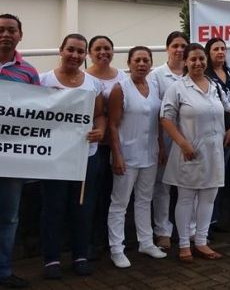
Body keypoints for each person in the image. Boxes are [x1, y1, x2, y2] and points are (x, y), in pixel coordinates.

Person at [160, 43, 230, 261]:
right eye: (193, 59)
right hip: (190, 152)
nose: (198, 63)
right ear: (185, 62)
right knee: (185, 199)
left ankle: (201, 242)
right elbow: (165, 118)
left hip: (214, 152)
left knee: (208, 198)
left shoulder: (214, 85)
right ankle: (184, 245)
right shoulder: (177, 88)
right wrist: (183, 143)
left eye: (201, 59)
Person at [39, 34, 106, 279]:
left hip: (85, 156)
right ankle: (51, 259)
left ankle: (80, 255)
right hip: (54, 157)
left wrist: (101, 131)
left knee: (82, 207)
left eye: (80, 51)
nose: (75, 55)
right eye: (71, 50)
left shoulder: (92, 84)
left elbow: (100, 115)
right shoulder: (42, 80)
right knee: (53, 207)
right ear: (61, 50)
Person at [107, 46, 167, 268]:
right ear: (129, 63)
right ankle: (116, 248)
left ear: (151, 63)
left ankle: (146, 242)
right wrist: (117, 155)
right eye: (137, 60)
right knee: (119, 203)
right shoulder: (120, 88)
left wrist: (161, 147)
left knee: (144, 200)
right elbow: (112, 126)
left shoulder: (153, 86)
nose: (142, 64)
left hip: (149, 153)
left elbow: (157, 122)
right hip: (127, 154)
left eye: (146, 60)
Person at [0, 13, 40, 289]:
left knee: (9, 217)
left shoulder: (28, 72)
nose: (6, 34)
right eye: (1, 30)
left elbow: (42, 113)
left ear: (20, 35)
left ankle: (3, 271)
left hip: (13, 159)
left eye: (11, 30)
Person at [86, 35, 126, 255]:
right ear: (90, 53)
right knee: (92, 194)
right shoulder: (83, 77)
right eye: (98, 48)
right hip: (93, 146)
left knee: (113, 195)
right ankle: (90, 242)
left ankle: (109, 240)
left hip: (118, 144)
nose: (103, 52)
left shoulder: (121, 76)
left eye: (107, 48)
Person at [148, 31, 188, 250]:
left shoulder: (193, 72)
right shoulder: (157, 75)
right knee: (162, 186)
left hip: (190, 139)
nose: (179, 50)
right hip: (165, 138)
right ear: (167, 48)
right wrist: (160, 144)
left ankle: (188, 230)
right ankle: (162, 231)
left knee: (188, 186)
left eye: (183, 45)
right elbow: (156, 111)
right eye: (175, 45)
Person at [204, 37, 230, 230]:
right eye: (215, 49)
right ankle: (206, 222)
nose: (220, 52)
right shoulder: (205, 75)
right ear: (208, 53)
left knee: (221, 177)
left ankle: (215, 219)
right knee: (209, 178)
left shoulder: (229, 72)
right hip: (212, 132)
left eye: (223, 48)